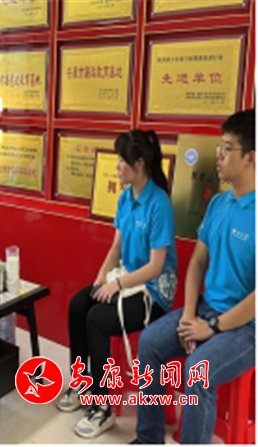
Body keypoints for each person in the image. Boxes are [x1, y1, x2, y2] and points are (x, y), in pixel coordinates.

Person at [132, 110, 255, 444]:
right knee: (150, 343)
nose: (219, 155)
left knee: (197, 372)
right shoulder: (218, 203)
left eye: (227, 148)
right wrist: (189, 317)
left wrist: (211, 328)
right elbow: (198, 262)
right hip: (205, 308)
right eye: (219, 146)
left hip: (248, 327)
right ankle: (148, 437)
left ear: (250, 158)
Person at [56, 130, 178, 439]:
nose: (117, 166)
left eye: (122, 161)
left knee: (97, 319)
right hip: (127, 278)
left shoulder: (159, 204)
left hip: (154, 292)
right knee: (79, 304)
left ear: (139, 165)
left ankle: (103, 407)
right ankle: (83, 383)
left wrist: (118, 284)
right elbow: (116, 248)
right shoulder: (125, 197)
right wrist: (100, 280)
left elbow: (156, 266)